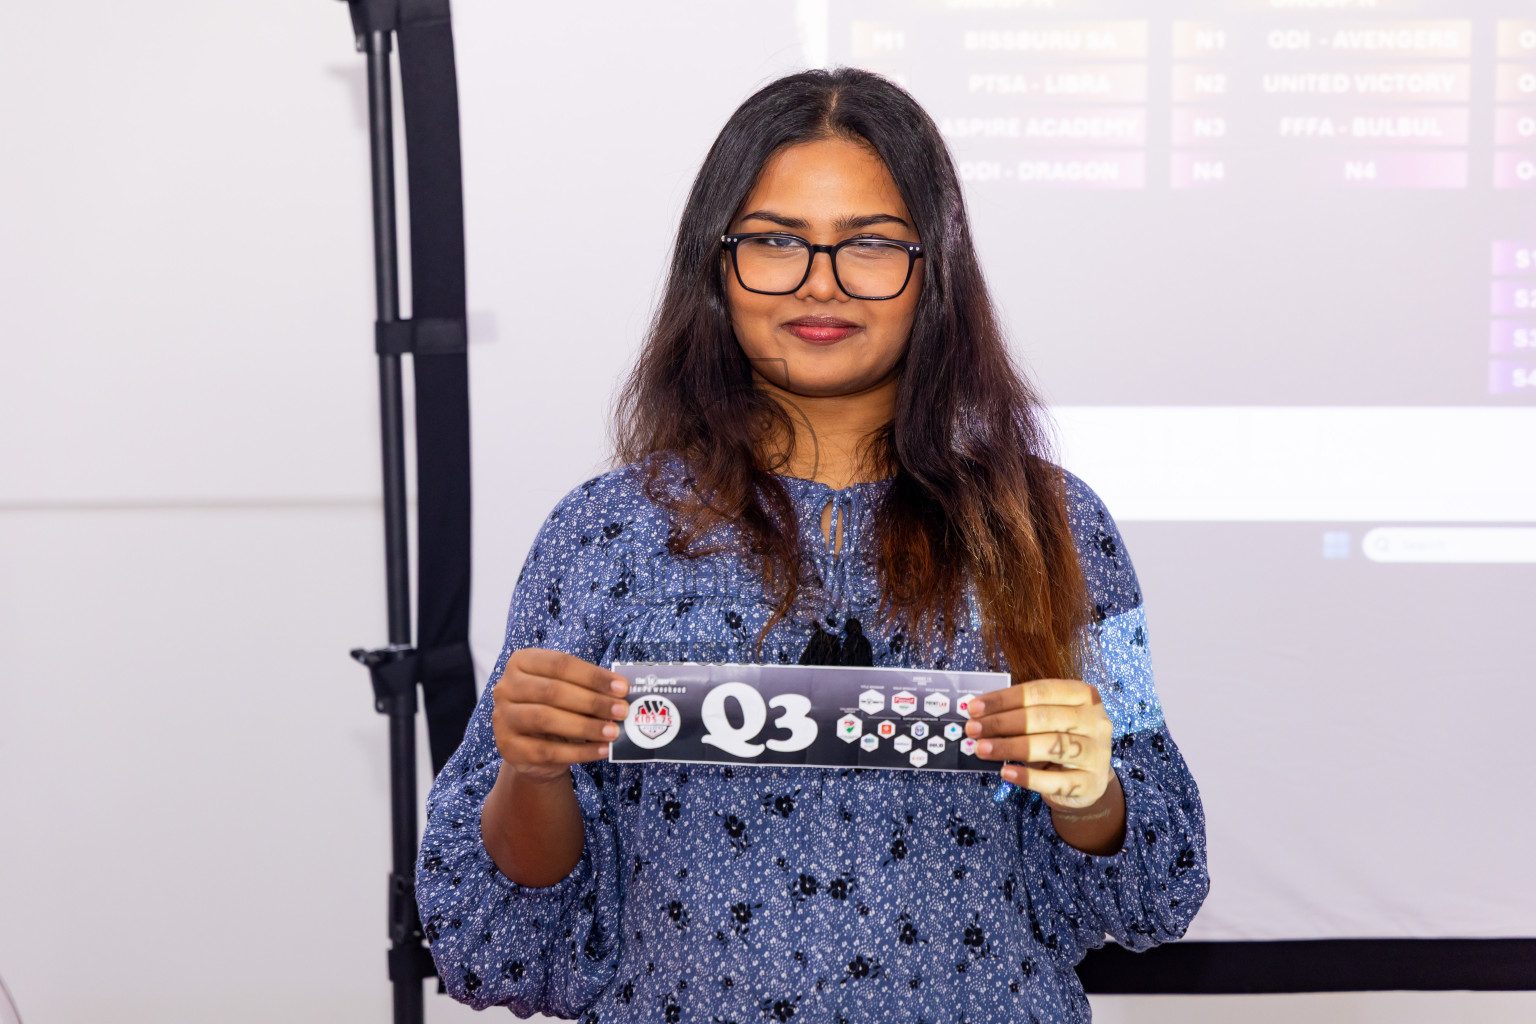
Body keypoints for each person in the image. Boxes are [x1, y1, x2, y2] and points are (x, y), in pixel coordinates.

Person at [416, 68, 1208, 1023]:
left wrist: (1093, 793)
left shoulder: (1054, 526)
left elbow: (1155, 889)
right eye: (776, 242)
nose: (820, 283)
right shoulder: (601, 534)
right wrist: (530, 771)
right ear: (716, 265)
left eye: (869, 244)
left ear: (935, 269)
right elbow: (494, 938)